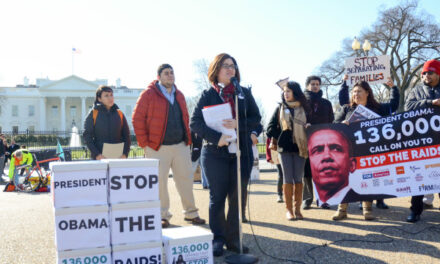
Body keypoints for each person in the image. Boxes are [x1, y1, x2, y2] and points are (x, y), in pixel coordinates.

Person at [190, 53, 261, 256]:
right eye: (225, 66)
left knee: (237, 197)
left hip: (242, 152)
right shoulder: (207, 94)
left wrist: (239, 125)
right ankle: (217, 239)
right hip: (215, 153)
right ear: (216, 70)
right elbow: (195, 122)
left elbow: (256, 118)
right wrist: (216, 137)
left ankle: (233, 239)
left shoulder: (243, 93)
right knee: (217, 198)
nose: (230, 69)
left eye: (233, 66)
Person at [132, 64, 205, 228]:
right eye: (166, 73)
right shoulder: (148, 94)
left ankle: (191, 213)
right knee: (160, 183)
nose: (170, 76)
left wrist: (188, 142)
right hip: (157, 147)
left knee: (186, 180)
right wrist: (145, 144)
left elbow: (185, 119)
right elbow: (137, 119)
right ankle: (162, 215)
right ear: (159, 77)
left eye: (172, 73)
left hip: (180, 145)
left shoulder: (180, 95)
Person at [332, 78, 399, 220]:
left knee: (368, 179)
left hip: (369, 152)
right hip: (349, 151)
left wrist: (393, 88)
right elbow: (335, 124)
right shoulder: (346, 108)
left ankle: (367, 209)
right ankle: (342, 209)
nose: (356, 94)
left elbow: (394, 104)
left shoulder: (379, 108)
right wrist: (341, 124)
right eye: (354, 91)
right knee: (346, 180)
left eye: (359, 91)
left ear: (367, 93)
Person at [266, 81, 310, 221]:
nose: (286, 94)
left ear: (295, 92)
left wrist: (308, 126)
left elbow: (312, 126)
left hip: (300, 148)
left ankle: (298, 210)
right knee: (287, 178)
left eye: (288, 91)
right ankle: (289, 210)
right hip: (284, 148)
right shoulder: (280, 108)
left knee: (298, 178)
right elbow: (269, 128)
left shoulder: (304, 108)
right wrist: (281, 132)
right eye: (284, 92)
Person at [405, 59, 440, 223]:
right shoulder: (416, 90)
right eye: (424, 73)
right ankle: (415, 210)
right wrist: (430, 103)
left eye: (430, 72)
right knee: (419, 178)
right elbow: (408, 107)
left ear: (438, 74)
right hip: (422, 143)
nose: (426, 75)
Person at [302, 75, 334, 210]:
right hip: (306, 141)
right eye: (312, 84)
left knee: (323, 171)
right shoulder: (302, 102)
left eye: (317, 84)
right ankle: (307, 199)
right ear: (307, 86)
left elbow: (331, 119)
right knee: (307, 172)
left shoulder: (326, 103)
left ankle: (324, 199)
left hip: (323, 141)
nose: (315, 86)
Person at [83, 85, 131, 160]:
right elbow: (87, 136)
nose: (110, 98)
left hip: (118, 158)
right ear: (99, 99)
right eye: (106, 96)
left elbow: (127, 136)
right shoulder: (93, 114)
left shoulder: (120, 114)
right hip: (100, 159)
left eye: (111, 95)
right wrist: (97, 154)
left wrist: (125, 154)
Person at [266, 137, 283, 203]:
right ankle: (279, 194)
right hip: (275, 153)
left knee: (289, 175)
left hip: (287, 151)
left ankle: (291, 194)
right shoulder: (273, 128)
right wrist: (269, 157)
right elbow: (268, 141)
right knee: (281, 175)